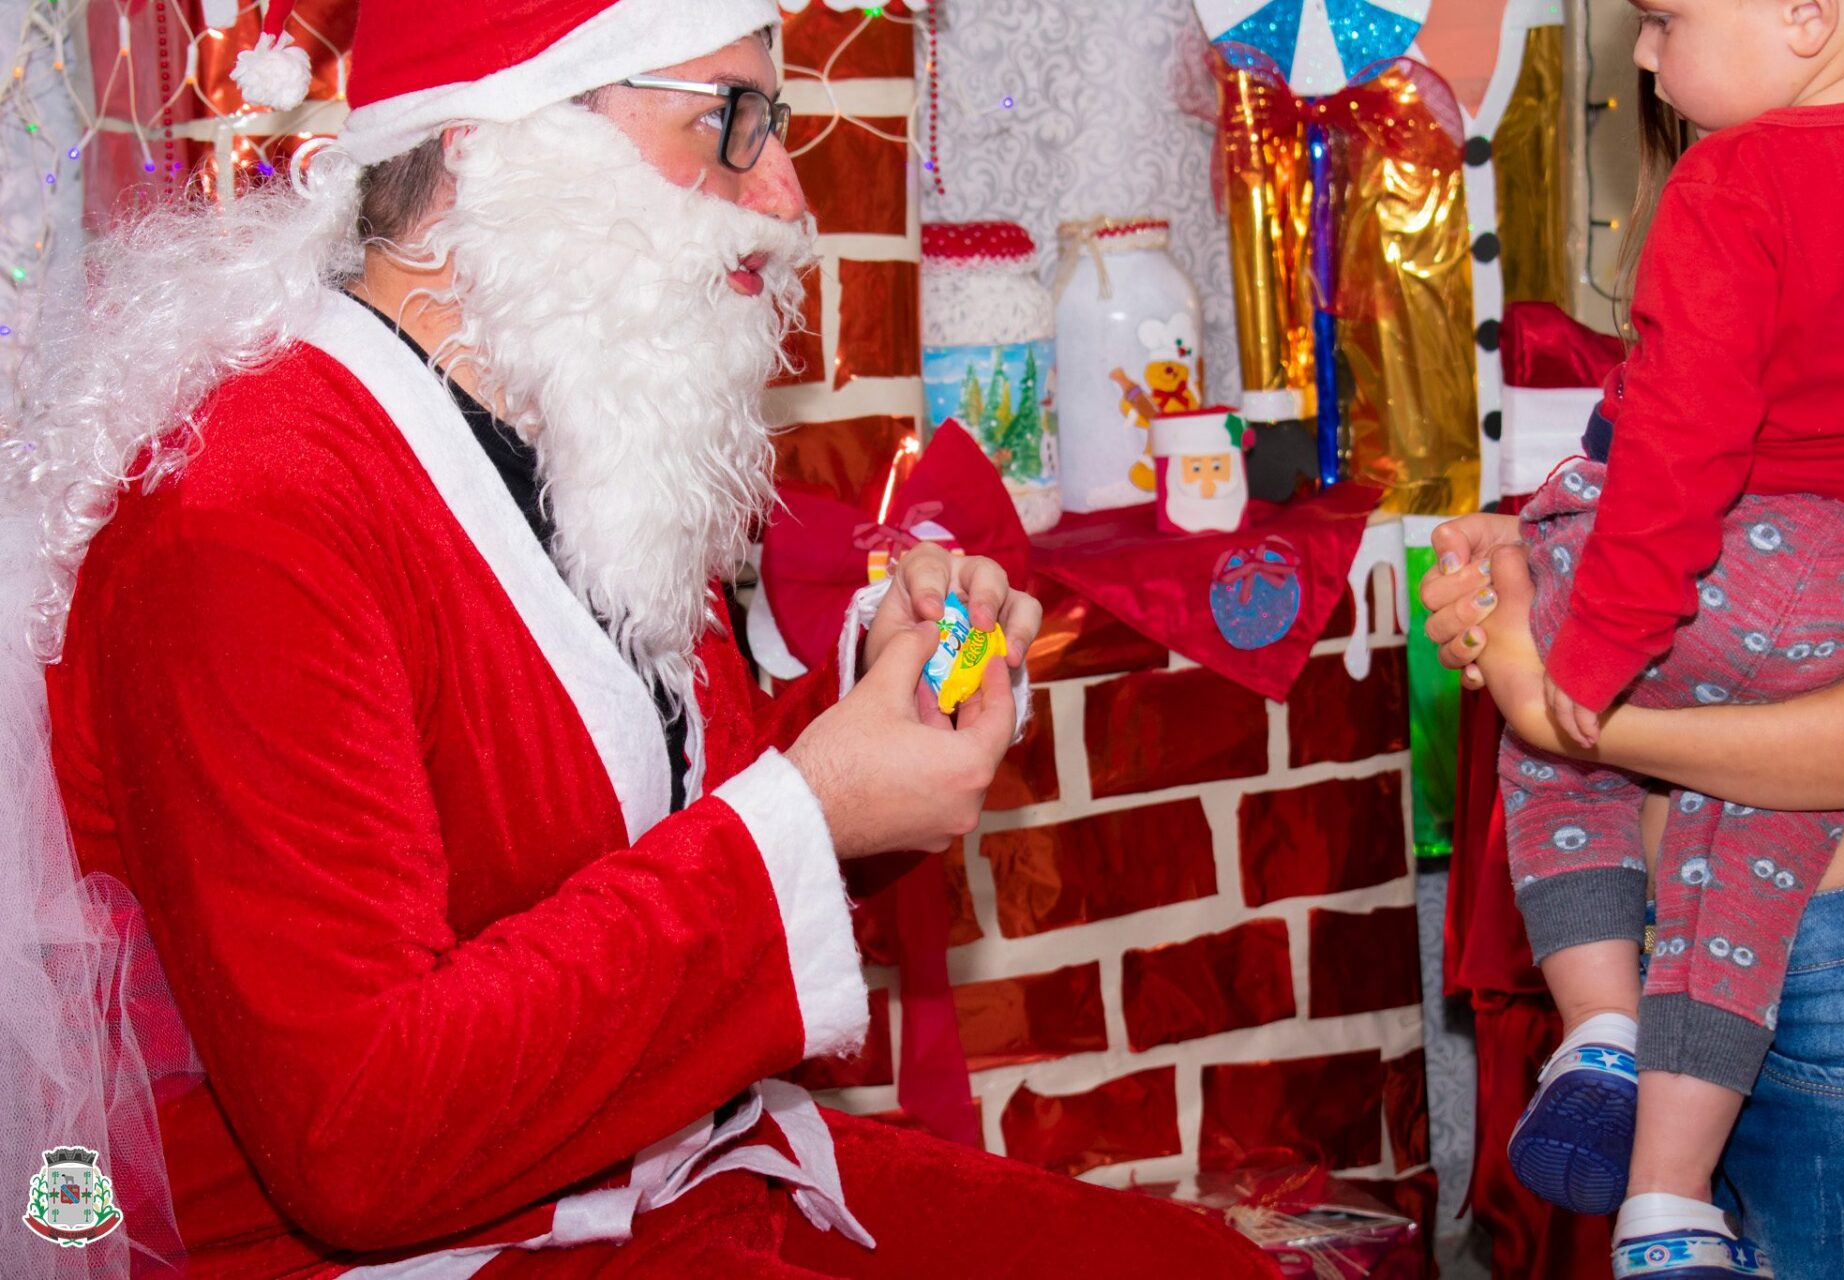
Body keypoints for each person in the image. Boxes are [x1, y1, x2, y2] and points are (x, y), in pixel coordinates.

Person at [0, 2, 1279, 1277]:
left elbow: (645, 816)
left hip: (652, 1172)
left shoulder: (576, 428)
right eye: (728, 120)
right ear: (486, 149)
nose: (784, 200)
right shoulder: (248, 513)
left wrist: (869, 704)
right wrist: (812, 810)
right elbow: (362, 1134)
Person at [1479, 0, 1844, 1269]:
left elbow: (1677, 447)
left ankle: (1604, 1017)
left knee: (1546, 714)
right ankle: (1667, 1200)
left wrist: (1587, 645)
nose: (1648, 58)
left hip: (1737, 568)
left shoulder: (1740, 178)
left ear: (1804, 14)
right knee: (1760, 843)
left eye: (1664, 19)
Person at [1422, 516, 1844, 1279]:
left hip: (1841, 967)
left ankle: (1606, 1042)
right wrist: (1548, 543)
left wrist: (1552, 710)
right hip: (1705, 932)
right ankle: (1665, 1201)